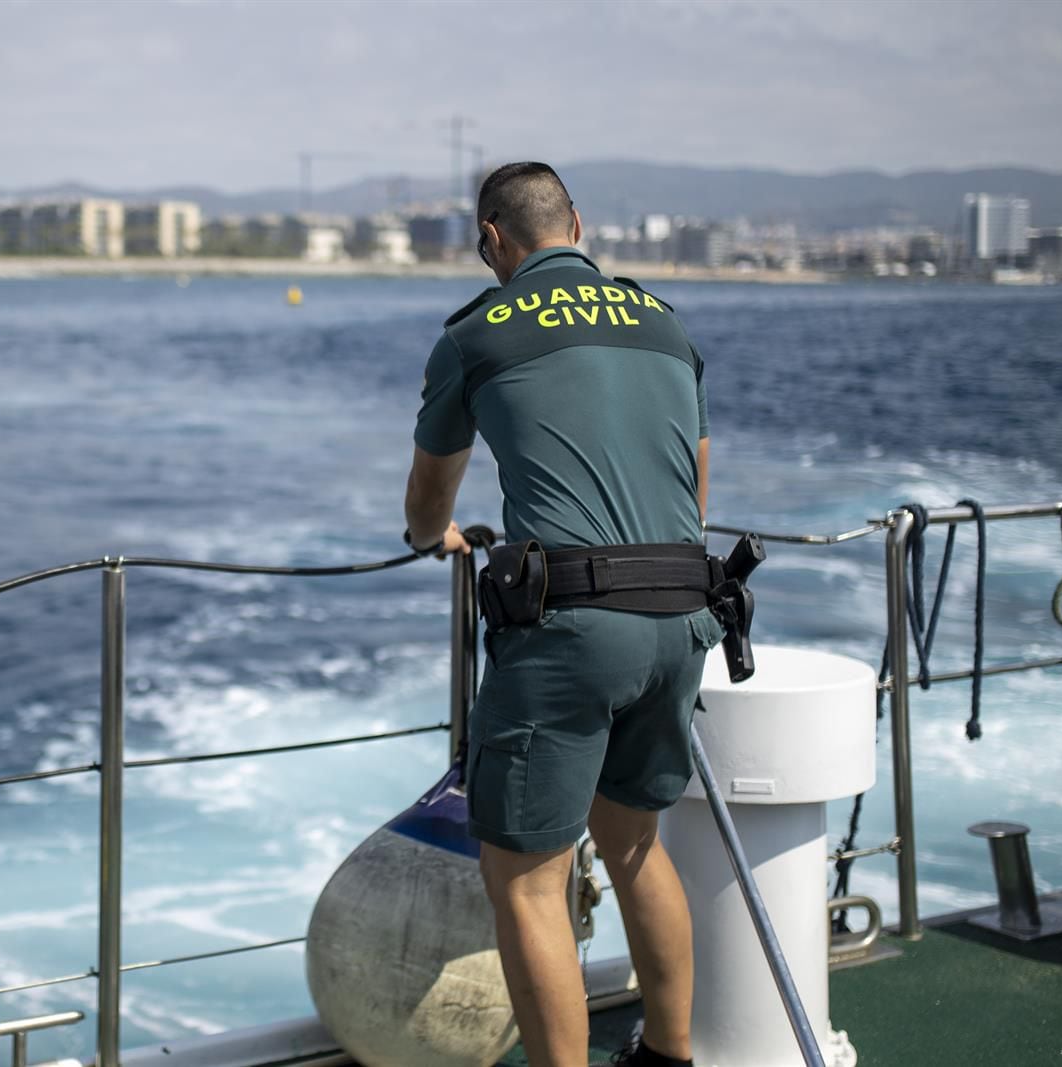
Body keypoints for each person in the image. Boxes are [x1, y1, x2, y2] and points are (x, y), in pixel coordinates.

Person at [403, 162, 721, 1067]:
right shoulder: (663, 322)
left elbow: (432, 497)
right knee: (631, 844)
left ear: (492, 242)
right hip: (682, 607)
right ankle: (667, 1054)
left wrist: (435, 537)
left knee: (529, 880)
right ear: (576, 224)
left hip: (574, 626)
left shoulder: (477, 335)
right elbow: (693, 486)